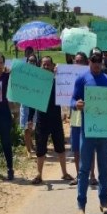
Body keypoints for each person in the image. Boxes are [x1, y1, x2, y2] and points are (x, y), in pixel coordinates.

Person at [71, 47, 107, 214]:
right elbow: (72, 100)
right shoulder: (81, 79)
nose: (96, 63)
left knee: (104, 169)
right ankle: (81, 205)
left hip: (104, 133)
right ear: (89, 61)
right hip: (87, 132)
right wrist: (77, 105)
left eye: (99, 60)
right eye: (93, 60)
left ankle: (104, 202)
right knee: (83, 170)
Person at [29, 56, 73, 185]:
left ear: (53, 66)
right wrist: (30, 119)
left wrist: (61, 75)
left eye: (48, 64)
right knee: (40, 149)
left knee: (60, 148)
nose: (46, 67)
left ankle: (64, 173)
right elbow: (32, 103)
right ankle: (39, 174)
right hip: (42, 120)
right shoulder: (36, 84)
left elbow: (69, 92)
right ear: (40, 66)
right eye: (44, 65)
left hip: (55, 120)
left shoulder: (59, 82)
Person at [67, 52, 98, 187]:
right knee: (76, 147)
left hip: (90, 115)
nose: (77, 63)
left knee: (90, 147)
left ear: (86, 62)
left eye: (80, 61)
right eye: (76, 60)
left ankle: (92, 175)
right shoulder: (69, 74)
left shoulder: (91, 76)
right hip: (76, 115)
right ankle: (79, 175)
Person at [19, 49, 37, 157]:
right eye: (30, 60)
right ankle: (28, 150)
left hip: (35, 104)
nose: (32, 62)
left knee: (32, 127)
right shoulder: (22, 72)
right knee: (26, 127)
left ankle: (31, 143)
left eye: (34, 60)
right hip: (25, 104)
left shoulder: (40, 74)